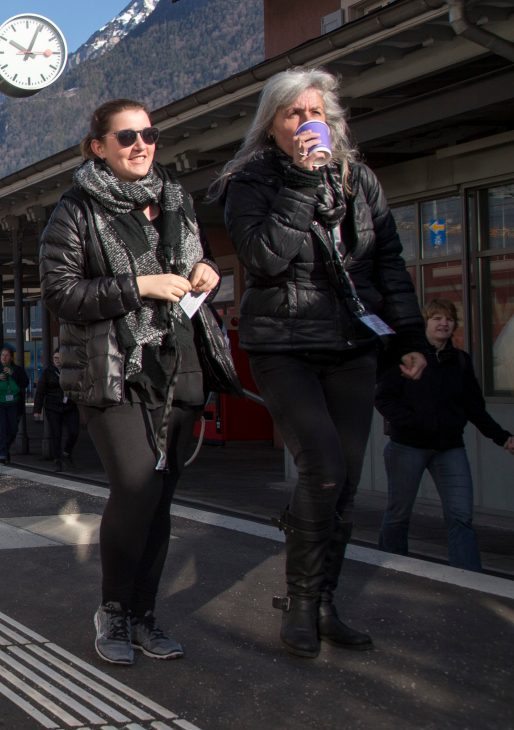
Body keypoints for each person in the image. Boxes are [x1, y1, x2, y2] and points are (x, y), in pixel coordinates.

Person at [216, 67, 427, 659]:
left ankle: (327, 600)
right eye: (294, 114)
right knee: (324, 468)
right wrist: (304, 181)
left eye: (317, 113)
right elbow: (264, 258)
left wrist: (411, 337)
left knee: (349, 482)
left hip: (352, 346)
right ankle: (300, 602)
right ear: (272, 126)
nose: (309, 123)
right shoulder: (249, 180)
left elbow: (389, 262)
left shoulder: (359, 180)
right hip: (283, 346)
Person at [41, 98, 224, 666]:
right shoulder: (77, 210)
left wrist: (206, 273)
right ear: (99, 147)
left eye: (149, 134)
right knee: (137, 487)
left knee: (161, 500)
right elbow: (61, 294)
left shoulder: (177, 201)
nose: (141, 145)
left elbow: (197, 265)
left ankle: (145, 615)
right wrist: (139, 286)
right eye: (126, 137)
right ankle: (113, 611)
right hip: (113, 369)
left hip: (179, 361)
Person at [375, 300, 512, 572]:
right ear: (425, 324)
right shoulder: (407, 358)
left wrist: (503, 437)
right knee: (399, 513)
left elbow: (474, 407)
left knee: (460, 516)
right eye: (436, 318)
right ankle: (391, 567)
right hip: (407, 446)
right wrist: (411, 423)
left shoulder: (459, 361)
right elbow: (383, 398)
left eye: (448, 319)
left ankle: (469, 577)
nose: (443, 323)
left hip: (450, 448)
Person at [34, 350, 79, 471]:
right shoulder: (48, 372)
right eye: (55, 358)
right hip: (53, 407)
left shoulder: (70, 371)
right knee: (56, 434)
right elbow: (40, 391)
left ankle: (66, 453)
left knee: (74, 431)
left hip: (69, 405)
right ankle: (57, 460)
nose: (56, 360)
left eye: (59, 358)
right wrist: (37, 409)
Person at [0, 346, 27, 463]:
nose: (4, 357)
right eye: (2, 355)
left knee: (13, 429)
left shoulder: (17, 369)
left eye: (7, 355)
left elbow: (24, 383)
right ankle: (2, 455)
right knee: (1, 429)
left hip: (14, 403)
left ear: (11, 358)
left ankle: (4, 449)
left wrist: (12, 374)